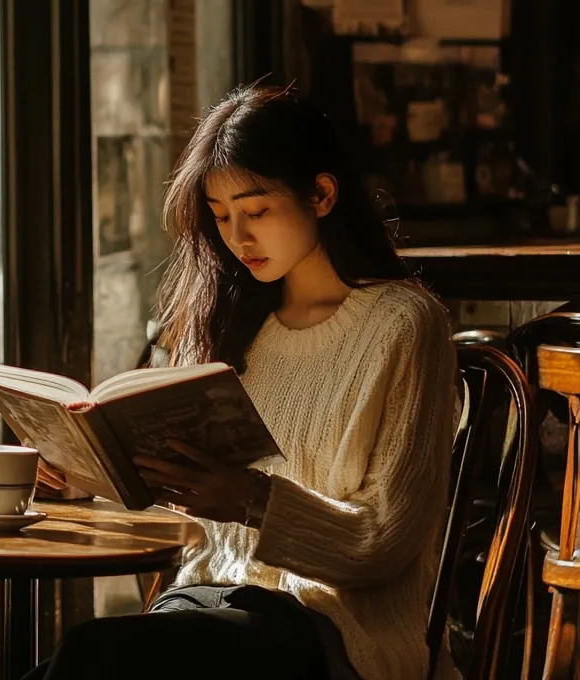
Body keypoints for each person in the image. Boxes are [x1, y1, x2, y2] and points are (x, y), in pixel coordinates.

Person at [30, 83, 458, 680]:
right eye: (221, 215)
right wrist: (78, 472)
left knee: (90, 657)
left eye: (256, 210)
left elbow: (384, 540)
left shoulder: (403, 325)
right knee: (70, 664)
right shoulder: (230, 324)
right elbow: (174, 494)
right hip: (207, 602)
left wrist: (250, 500)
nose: (238, 237)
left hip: (334, 632)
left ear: (323, 194)